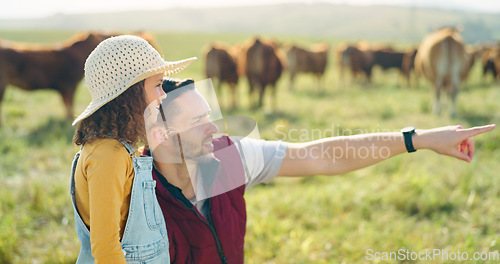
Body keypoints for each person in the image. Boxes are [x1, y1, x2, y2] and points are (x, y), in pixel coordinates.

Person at [146, 78, 495, 264]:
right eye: (197, 121)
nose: (214, 130)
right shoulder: (132, 195)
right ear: (161, 135)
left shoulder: (230, 159)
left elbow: (324, 156)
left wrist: (418, 139)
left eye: (210, 116)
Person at [69, 35, 196, 263]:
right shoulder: (109, 155)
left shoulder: (121, 148)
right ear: (131, 93)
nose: (163, 94)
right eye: (157, 85)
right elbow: (106, 249)